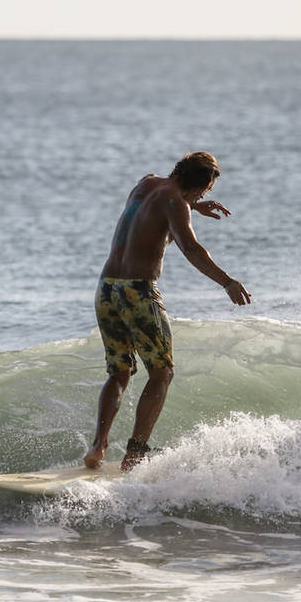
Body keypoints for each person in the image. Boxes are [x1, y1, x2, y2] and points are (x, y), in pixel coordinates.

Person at [85, 152, 251, 471]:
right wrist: (227, 282)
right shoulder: (175, 201)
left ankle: (98, 445)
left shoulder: (146, 183)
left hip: (106, 288)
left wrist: (192, 205)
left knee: (119, 373)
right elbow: (190, 248)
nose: (204, 197)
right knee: (162, 373)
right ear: (197, 186)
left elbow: (155, 211)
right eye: (205, 192)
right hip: (138, 292)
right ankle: (135, 454)